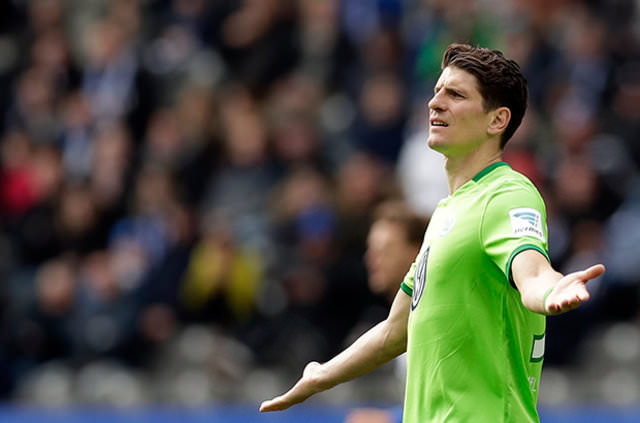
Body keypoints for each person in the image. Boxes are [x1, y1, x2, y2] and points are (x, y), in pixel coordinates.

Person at [259, 43, 606, 422]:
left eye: (455, 95)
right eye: (437, 91)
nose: (435, 103)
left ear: (497, 120)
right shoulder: (446, 211)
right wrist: (321, 375)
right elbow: (395, 331)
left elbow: (533, 271)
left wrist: (551, 289)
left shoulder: (507, 194)